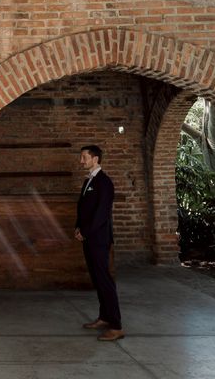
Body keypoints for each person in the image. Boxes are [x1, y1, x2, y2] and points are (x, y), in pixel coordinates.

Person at [74, 145, 124, 341]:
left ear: (95, 159)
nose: (81, 161)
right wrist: (78, 227)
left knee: (104, 281)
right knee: (97, 279)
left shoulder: (104, 182)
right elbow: (83, 208)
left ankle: (116, 326)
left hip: (98, 239)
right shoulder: (89, 180)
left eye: (84, 157)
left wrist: (85, 232)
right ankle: (104, 317)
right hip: (88, 236)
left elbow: (101, 214)